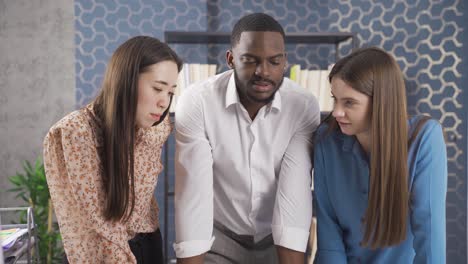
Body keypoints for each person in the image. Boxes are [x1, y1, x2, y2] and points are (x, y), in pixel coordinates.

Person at [174, 13, 320, 264]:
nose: (263, 72)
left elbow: (294, 196)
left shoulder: (303, 106)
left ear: (284, 62)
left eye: (274, 62)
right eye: (250, 60)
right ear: (230, 59)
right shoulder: (197, 101)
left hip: (276, 238)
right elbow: (193, 196)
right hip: (218, 238)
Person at [43, 36, 182, 264]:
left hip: (149, 246)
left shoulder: (155, 128)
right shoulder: (74, 133)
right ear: (125, 81)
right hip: (103, 254)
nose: (164, 102)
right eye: (158, 88)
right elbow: (97, 229)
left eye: (170, 92)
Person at [313, 47, 447, 263]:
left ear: (381, 102)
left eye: (349, 102)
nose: (336, 112)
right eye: (334, 99)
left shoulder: (424, 138)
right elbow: (329, 233)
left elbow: (429, 234)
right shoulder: (326, 140)